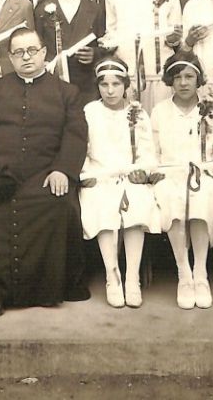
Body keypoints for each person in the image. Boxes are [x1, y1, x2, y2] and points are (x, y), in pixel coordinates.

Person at [0, 27, 89, 318]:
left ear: (44, 53)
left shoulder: (66, 92)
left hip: (44, 175)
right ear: (10, 58)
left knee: (57, 205)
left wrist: (62, 171)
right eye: (18, 52)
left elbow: (75, 136)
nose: (26, 57)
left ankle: (44, 289)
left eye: (32, 50)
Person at [149, 51, 213, 310]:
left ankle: (200, 272)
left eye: (189, 76)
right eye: (177, 77)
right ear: (169, 81)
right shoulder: (160, 111)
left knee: (201, 197)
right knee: (173, 199)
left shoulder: (211, 110)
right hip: (169, 176)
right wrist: (154, 172)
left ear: (199, 80)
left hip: (203, 175)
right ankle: (183, 273)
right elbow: (152, 152)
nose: (183, 83)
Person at [80, 56, 159, 308]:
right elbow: (83, 148)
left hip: (130, 176)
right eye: (104, 85)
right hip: (100, 176)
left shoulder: (137, 113)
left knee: (136, 204)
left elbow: (148, 151)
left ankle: (132, 277)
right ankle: (112, 276)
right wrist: (86, 175)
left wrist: (142, 172)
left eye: (116, 84)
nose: (110, 90)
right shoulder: (90, 112)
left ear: (126, 85)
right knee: (103, 206)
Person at [104, 0, 183, 113]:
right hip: (128, 72)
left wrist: (173, 38)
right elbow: (112, 32)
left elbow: (176, 35)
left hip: (159, 73)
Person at [34, 0, 106, 107]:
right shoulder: (42, 10)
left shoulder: (95, 9)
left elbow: (105, 46)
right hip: (53, 85)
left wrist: (94, 54)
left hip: (86, 86)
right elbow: (37, 47)